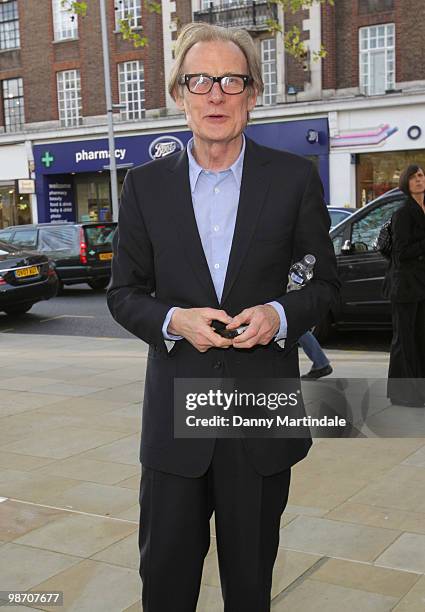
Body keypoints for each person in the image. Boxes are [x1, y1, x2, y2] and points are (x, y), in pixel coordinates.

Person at [107, 22, 339, 612]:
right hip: (174, 420)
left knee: (250, 584)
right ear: (179, 93)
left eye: (231, 80)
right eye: (199, 80)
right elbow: (124, 293)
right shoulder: (143, 187)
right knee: (164, 581)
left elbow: (324, 285)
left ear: (253, 93)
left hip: (260, 417)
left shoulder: (293, 180)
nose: (215, 94)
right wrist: (174, 320)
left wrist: (279, 314)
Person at [386, 164, 425, 407]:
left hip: (421, 286)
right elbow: (400, 253)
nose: (419, 180)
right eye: (413, 177)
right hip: (405, 288)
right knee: (405, 340)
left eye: (421, 175)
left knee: (420, 338)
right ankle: (404, 394)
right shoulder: (403, 213)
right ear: (406, 183)